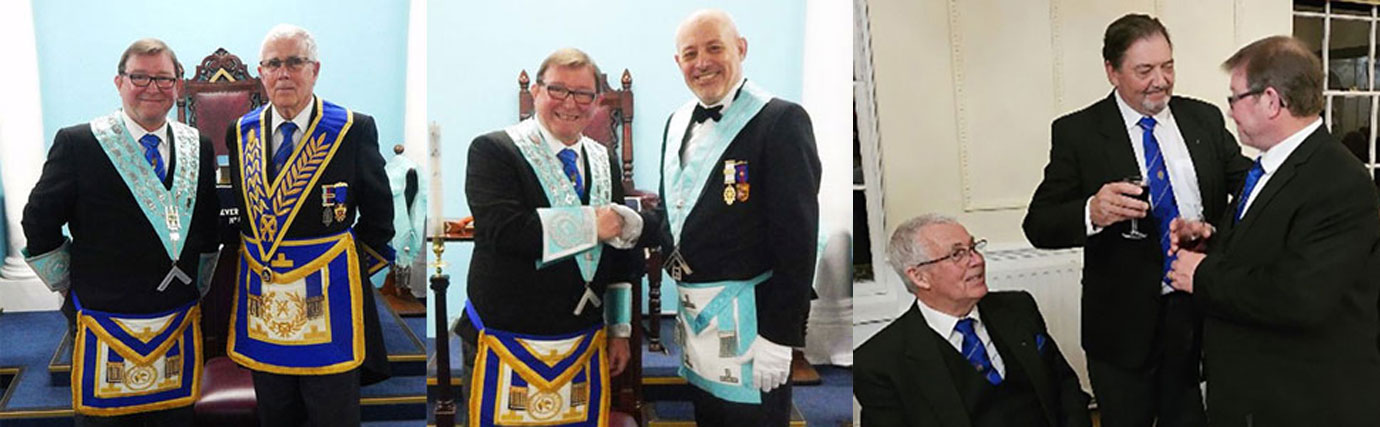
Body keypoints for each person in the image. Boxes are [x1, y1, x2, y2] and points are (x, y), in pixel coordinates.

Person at [1022, 14, 1250, 426]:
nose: (1161, 80)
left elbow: (1248, 187)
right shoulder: (1079, 132)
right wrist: (1091, 210)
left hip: (1196, 313)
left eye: (1168, 65)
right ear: (1112, 71)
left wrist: (1216, 233)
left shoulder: (1204, 119)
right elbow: (1038, 224)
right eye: (1144, 70)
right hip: (1120, 330)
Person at [1166, 35, 1380, 425]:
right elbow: (1272, 246)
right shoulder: (1267, 164)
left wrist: (1202, 274)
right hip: (1255, 392)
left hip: (1302, 401)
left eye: (1234, 98)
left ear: (1270, 100)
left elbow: (1301, 296)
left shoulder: (1338, 180)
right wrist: (1211, 243)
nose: (1229, 111)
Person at [22, 38, 219, 426]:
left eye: (163, 78)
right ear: (119, 82)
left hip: (175, 317)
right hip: (105, 317)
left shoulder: (198, 144)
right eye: (140, 77)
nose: (152, 88)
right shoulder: (79, 143)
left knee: (175, 419)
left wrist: (200, 282)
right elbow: (38, 221)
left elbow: (208, 224)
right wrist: (68, 280)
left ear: (178, 85)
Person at [648, 9, 821, 425]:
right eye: (690, 53)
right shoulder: (676, 122)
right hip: (697, 322)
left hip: (753, 323)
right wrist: (637, 226)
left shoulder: (780, 120)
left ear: (740, 49)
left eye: (714, 48)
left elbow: (798, 238)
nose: (702, 62)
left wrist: (780, 336)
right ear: (678, 63)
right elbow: (677, 212)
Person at [455, 47, 642, 425]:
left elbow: (618, 254)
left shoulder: (604, 159)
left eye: (583, 94)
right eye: (557, 90)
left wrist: (620, 330)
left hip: (582, 338)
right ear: (537, 91)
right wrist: (594, 224)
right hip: (508, 333)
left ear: (596, 100)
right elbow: (505, 231)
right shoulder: (494, 149)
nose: (570, 104)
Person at [223, 24, 394, 426]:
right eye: (274, 64)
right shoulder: (241, 132)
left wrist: (344, 273)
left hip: (328, 300)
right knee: (276, 409)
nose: (284, 73)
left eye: (295, 62)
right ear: (261, 72)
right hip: (264, 298)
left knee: (330, 411)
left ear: (315, 69)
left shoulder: (351, 128)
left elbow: (379, 219)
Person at [855, 215, 1091, 427]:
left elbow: (1066, 389)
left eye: (973, 248)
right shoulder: (878, 363)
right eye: (957, 254)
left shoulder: (1018, 308)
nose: (977, 260)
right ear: (919, 277)